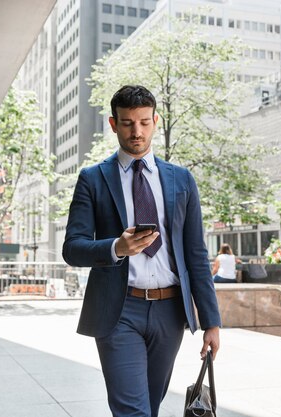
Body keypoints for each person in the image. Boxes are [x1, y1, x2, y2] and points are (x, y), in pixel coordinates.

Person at [62, 85, 221, 417]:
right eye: (127, 123)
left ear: (156, 121)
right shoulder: (93, 179)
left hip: (170, 312)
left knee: (150, 405)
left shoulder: (181, 179)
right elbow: (73, 248)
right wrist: (116, 247)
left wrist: (211, 322)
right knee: (132, 410)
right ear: (112, 123)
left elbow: (195, 254)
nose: (137, 132)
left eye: (144, 122)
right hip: (118, 311)